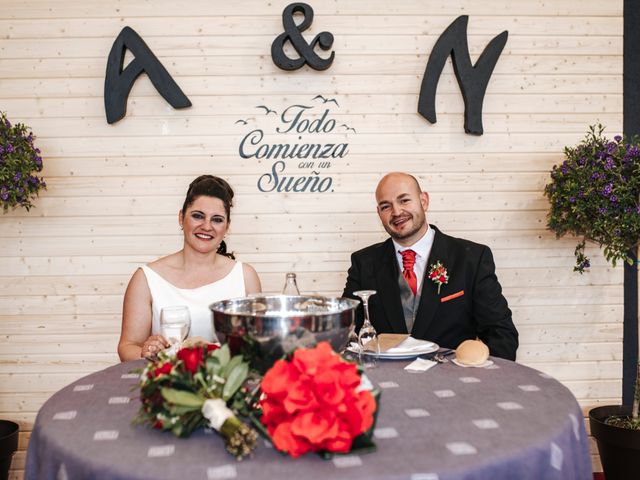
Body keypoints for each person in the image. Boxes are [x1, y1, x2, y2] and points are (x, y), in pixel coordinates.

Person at [342, 172, 518, 360]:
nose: (397, 212)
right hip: (388, 383)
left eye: (404, 200)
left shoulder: (471, 259)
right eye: (386, 206)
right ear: (379, 214)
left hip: (452, 381)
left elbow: (502, 335)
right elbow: (344, 333)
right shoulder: (364, 263)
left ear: (423, 201)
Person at [118, 175, 261, 361]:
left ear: (227, 227)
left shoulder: (245, 277)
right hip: (167, 386)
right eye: (198, 216)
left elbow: (257, 346)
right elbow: (127, 347)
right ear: (181, 217)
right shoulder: (146, 278)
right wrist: (146, 352)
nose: (207, 226)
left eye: (217, 220)